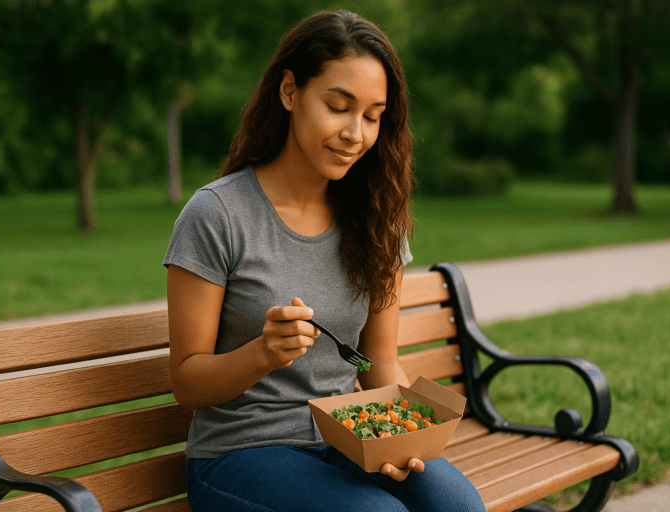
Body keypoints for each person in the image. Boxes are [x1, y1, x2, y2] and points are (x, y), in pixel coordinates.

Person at [164, 9, 485, 512]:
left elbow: (379, 364)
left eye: (373, 116)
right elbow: (186, 382)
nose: (355, 133)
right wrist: (262, 353)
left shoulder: (377, 217)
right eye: (338, 106)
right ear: (290, 92)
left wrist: (406, 439)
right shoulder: (217, 215)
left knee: (457, 506)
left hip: (348, 440)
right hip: (240, 454)